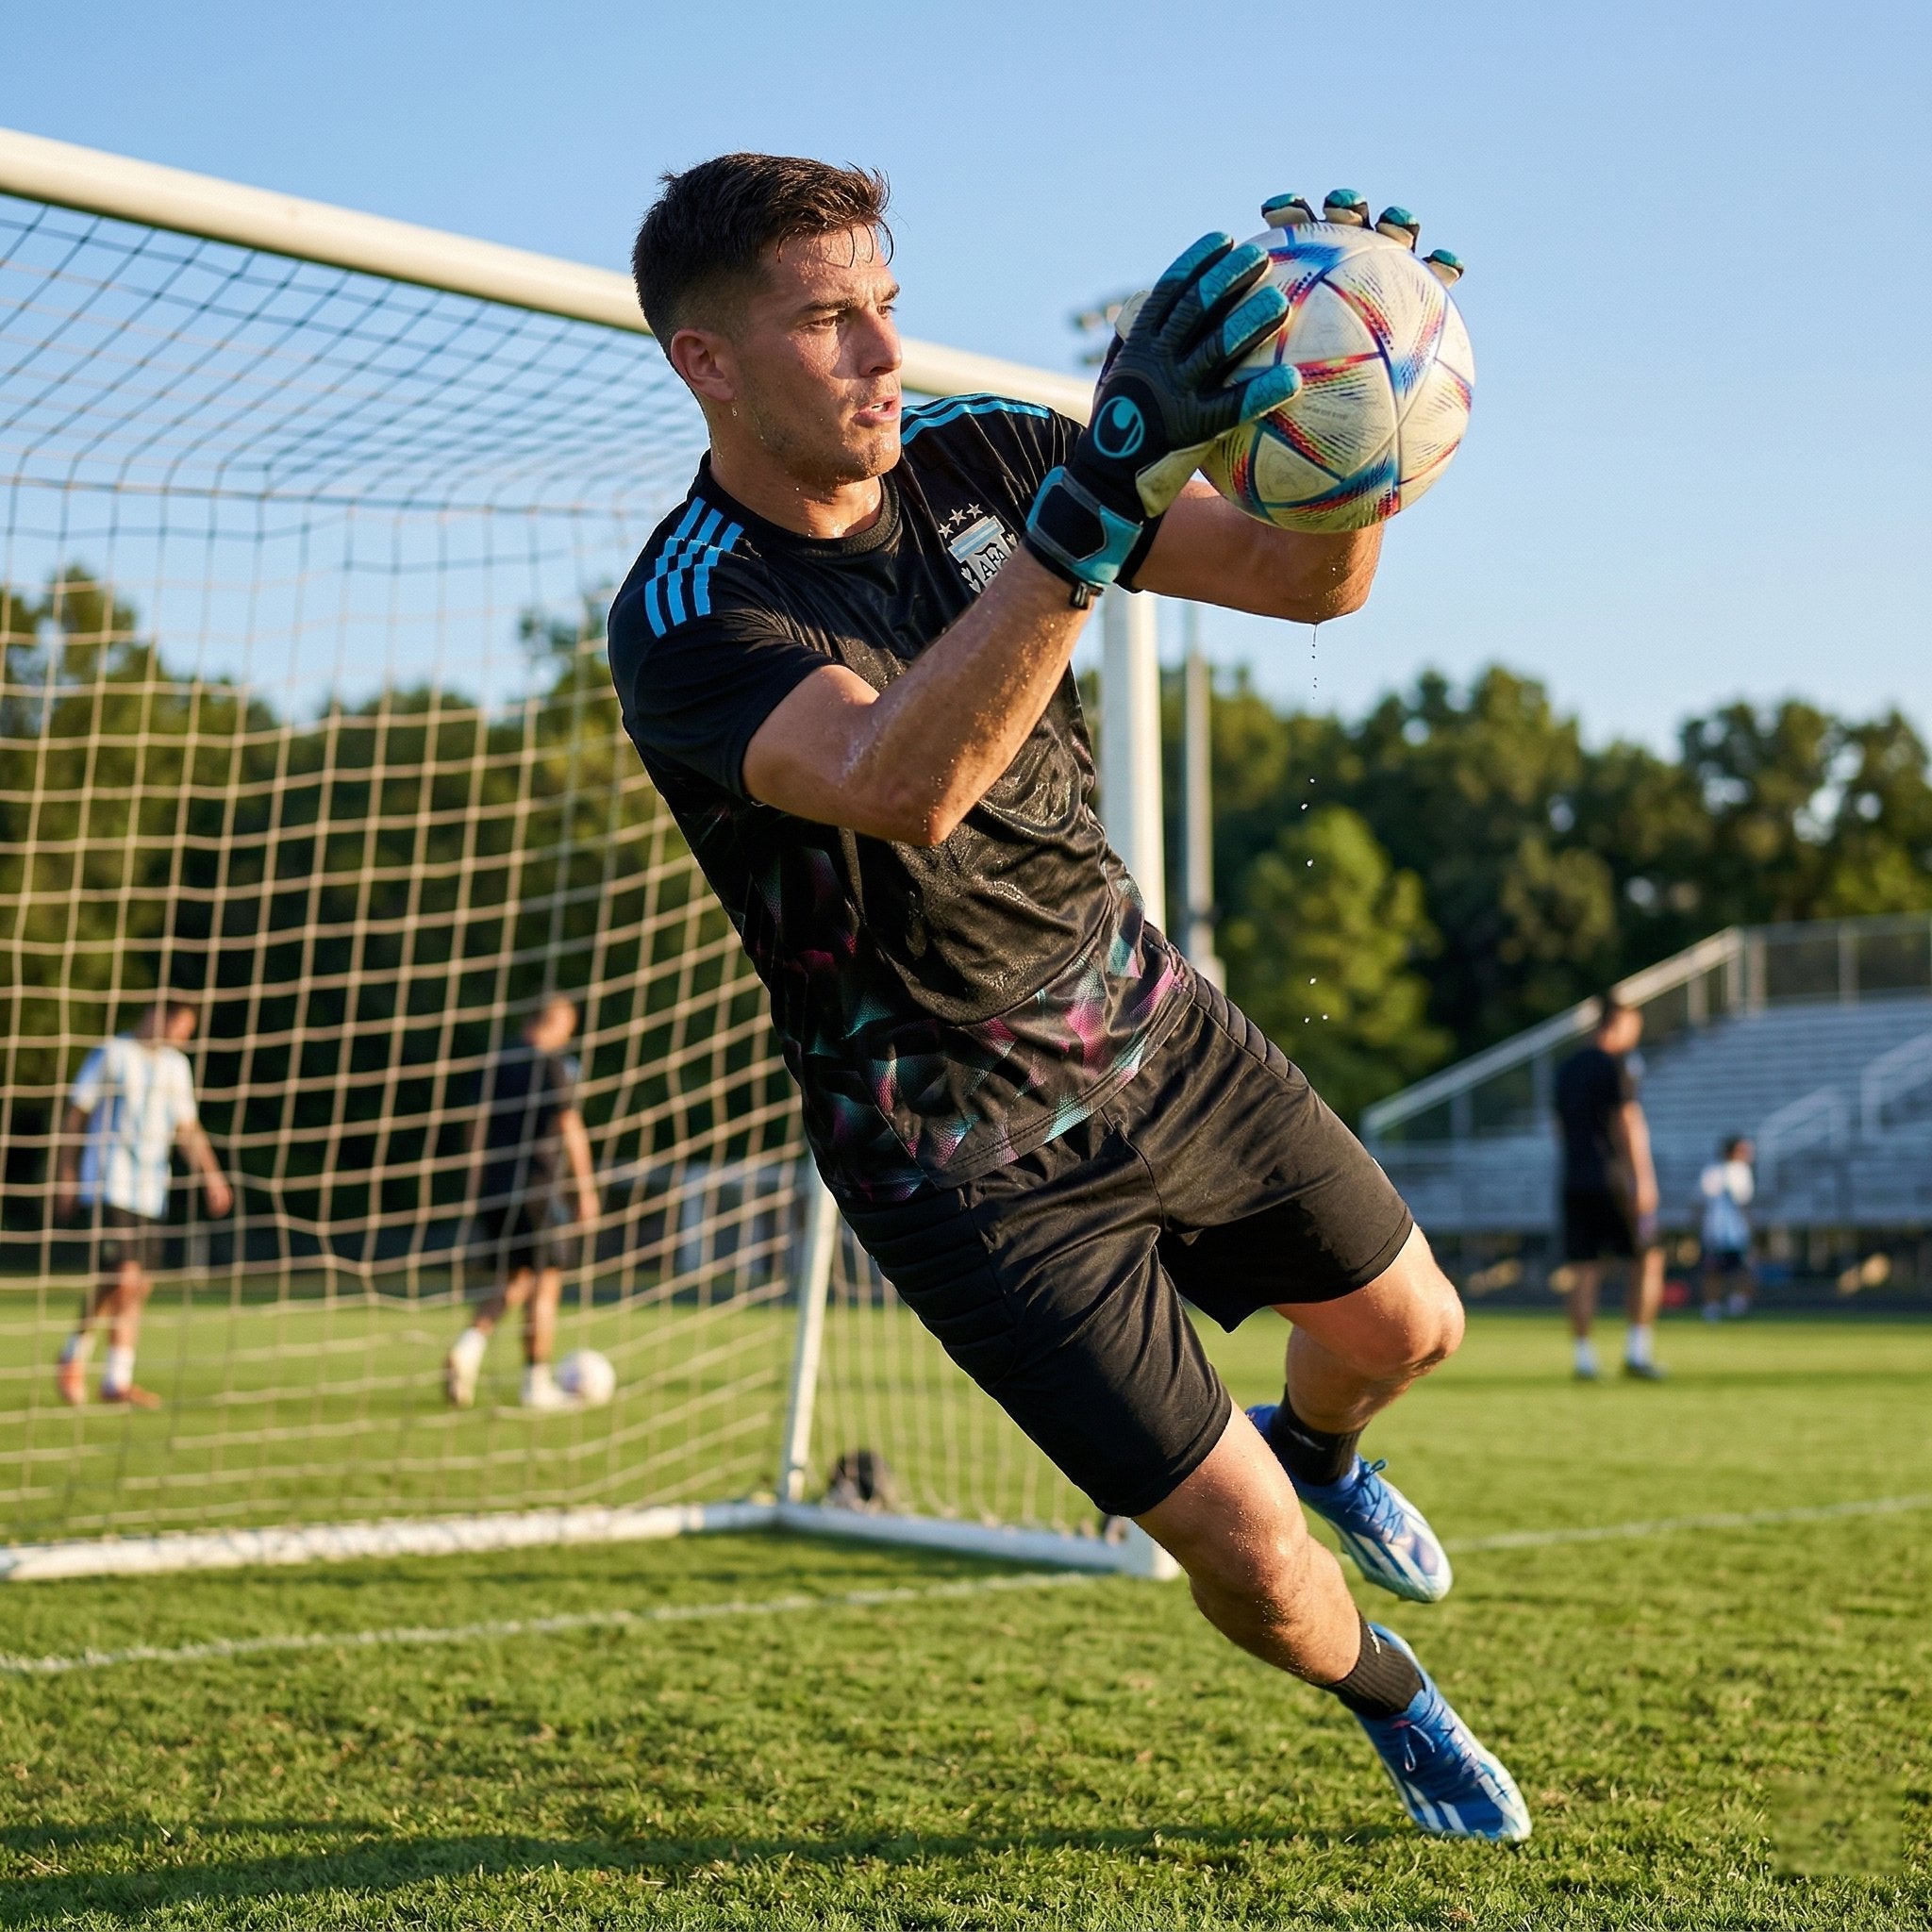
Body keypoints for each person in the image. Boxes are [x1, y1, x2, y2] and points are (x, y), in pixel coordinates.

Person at [604, 155, 1526, 1842]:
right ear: (708, 363)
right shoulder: (690, 615)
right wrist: (1092, 499)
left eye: (887, 302)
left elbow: (1306, 581)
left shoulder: (990, 454)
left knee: (1411, 1331)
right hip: (954, 1158)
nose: (884, 349)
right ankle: (1390, 1693)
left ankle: (1325, 1447)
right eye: (827, 320)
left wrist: (1363, 410)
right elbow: (902, 783)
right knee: (1257, 1563)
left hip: (1147, 1024)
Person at [52, 997, 231, 1407]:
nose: (184, 1037)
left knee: (132, 1286)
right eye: (181, 1027)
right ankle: (108, 1376)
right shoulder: (112, 1054)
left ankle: (85, 1362)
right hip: (108, 1182)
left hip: (151, 1190)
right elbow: (76, 1114)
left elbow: (187, 1128)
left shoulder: (175, 1067)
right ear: (156, 1016)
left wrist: (212, 1175)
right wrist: (66, 1172)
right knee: (126, 1278)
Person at [444, 995, 600, 1410]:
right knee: (545, 1283)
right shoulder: (550, 1063)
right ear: (557, 1021)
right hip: (536, 1188)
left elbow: (475, 1124)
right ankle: (536, 1383)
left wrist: (478, 1181)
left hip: (495, 1187)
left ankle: (467, 1347)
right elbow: (569, 1124)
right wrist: (585, 1190)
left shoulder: (496, 1061)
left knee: (516, 1280)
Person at [1553, 993, 1665, 1380]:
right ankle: (1637, 1352)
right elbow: (1627, 1121)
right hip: (1615, 1179)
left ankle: (1584, 1359)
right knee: (1647, 1259)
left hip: (1574, 1178)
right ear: (1617, 1024)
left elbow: (1559, 1127)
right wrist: (1642, 1180)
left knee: (1584, 1267)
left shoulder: (1565, 1069)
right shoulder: (1616, 1065)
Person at [1697, 1136, 1756, 1320]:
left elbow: (1744, 1204)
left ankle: (1736, 1305)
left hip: (1736, 1232)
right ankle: (1712, 1307)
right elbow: (1702, 1202)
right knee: (1713, 1271)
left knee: (1741, 1270)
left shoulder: (1742, 1171)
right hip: (1716, 1232)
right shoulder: (1713, 1171)